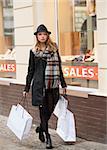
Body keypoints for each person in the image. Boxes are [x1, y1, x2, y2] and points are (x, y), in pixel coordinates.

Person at [23, 24, 67, 149]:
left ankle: (41, 128)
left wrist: (63, 83)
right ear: (37, 36)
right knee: (43, 111)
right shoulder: (34, 52)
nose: (42, 36)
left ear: (47, 36)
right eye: (40, 34)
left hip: (53, 84)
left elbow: (59, 67)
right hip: (40, 86)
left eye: (44, 34)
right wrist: (26, 88)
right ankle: (48, 137)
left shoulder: (54, 49)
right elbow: (30, 70)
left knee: (51, 108)